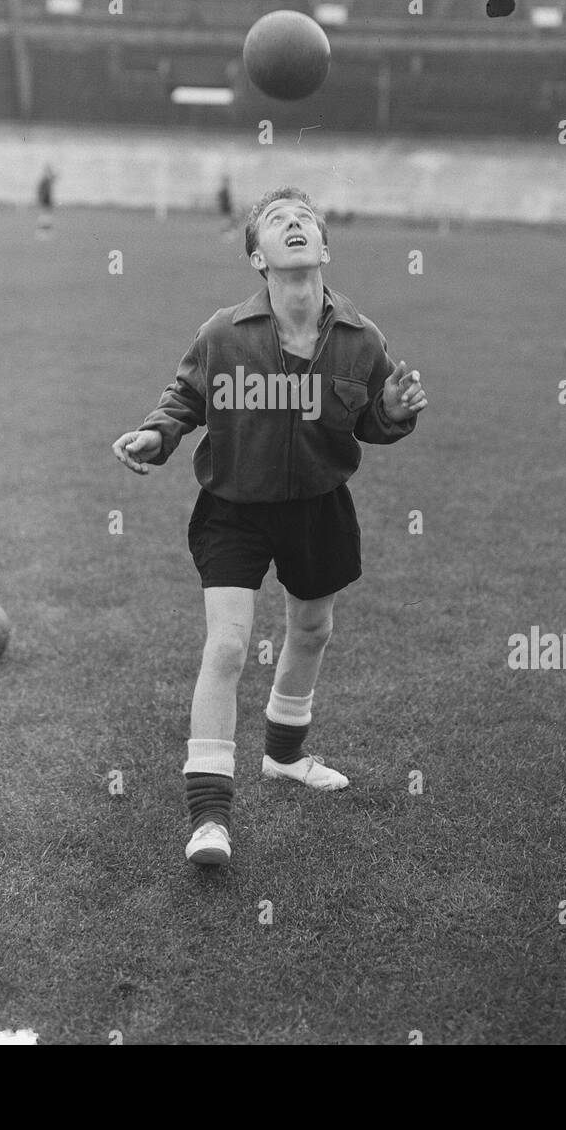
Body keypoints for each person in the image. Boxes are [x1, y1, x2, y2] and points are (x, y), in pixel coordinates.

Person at [111, 186, 427, 867]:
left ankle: (284, 757)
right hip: (233, 506)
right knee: (227, 645)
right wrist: (154, 436)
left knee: (312, 628)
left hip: (318, 505)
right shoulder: (224, 333)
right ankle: (208, 819)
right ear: (257, 254)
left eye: (304, 221)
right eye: (277, 222)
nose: (294, 226)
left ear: (323, 247)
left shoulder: (360, 339)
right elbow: (186, 397)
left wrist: (394, 411)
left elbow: (369, 422)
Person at [36, 164, 57, 239]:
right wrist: (41, 200)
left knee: (47, 217)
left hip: (48, 201)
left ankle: (46, 232)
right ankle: (42, 232)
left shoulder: (48, 180)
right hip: (44, 201)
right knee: (44, 217)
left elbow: (54, 178)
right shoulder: (44, 181)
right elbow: (41, 192)